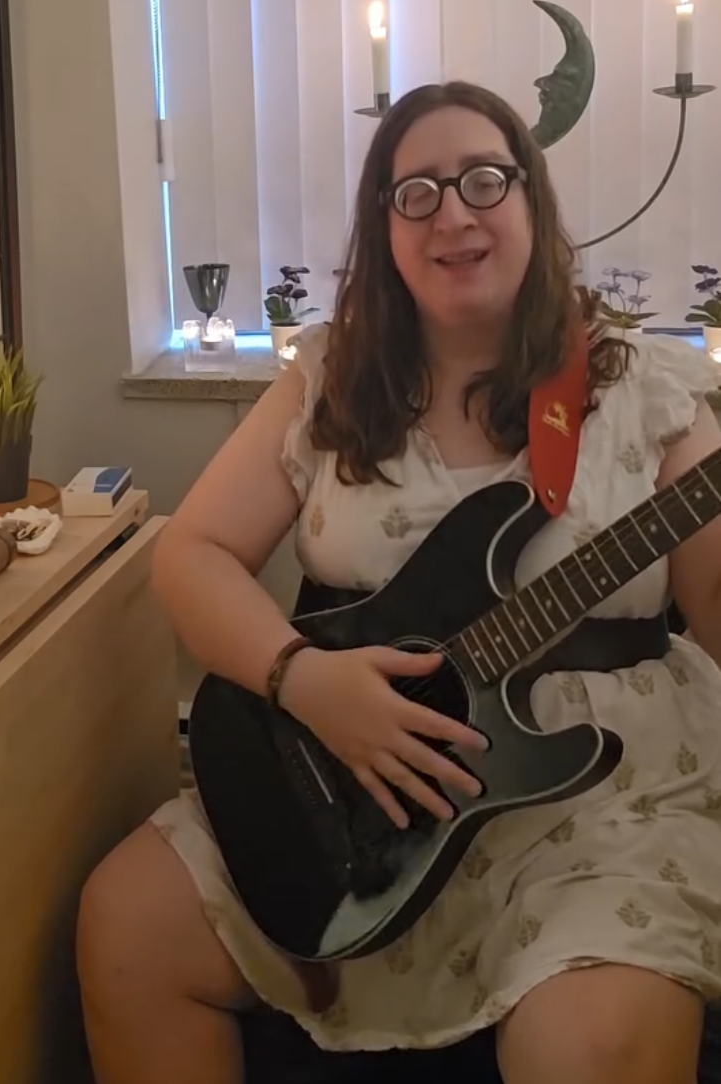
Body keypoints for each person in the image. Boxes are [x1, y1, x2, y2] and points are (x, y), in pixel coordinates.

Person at [76, 80, 721, 1084]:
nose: (452, 211)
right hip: (346, 782)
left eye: (481, 180)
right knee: (126, 922)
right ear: (383, 229)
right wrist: (302, 679)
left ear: (529, 202)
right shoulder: (328, 378)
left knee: (589, 1044)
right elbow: (189, 553)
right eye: (414, 192)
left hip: (596, 803)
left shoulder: (642, 386)